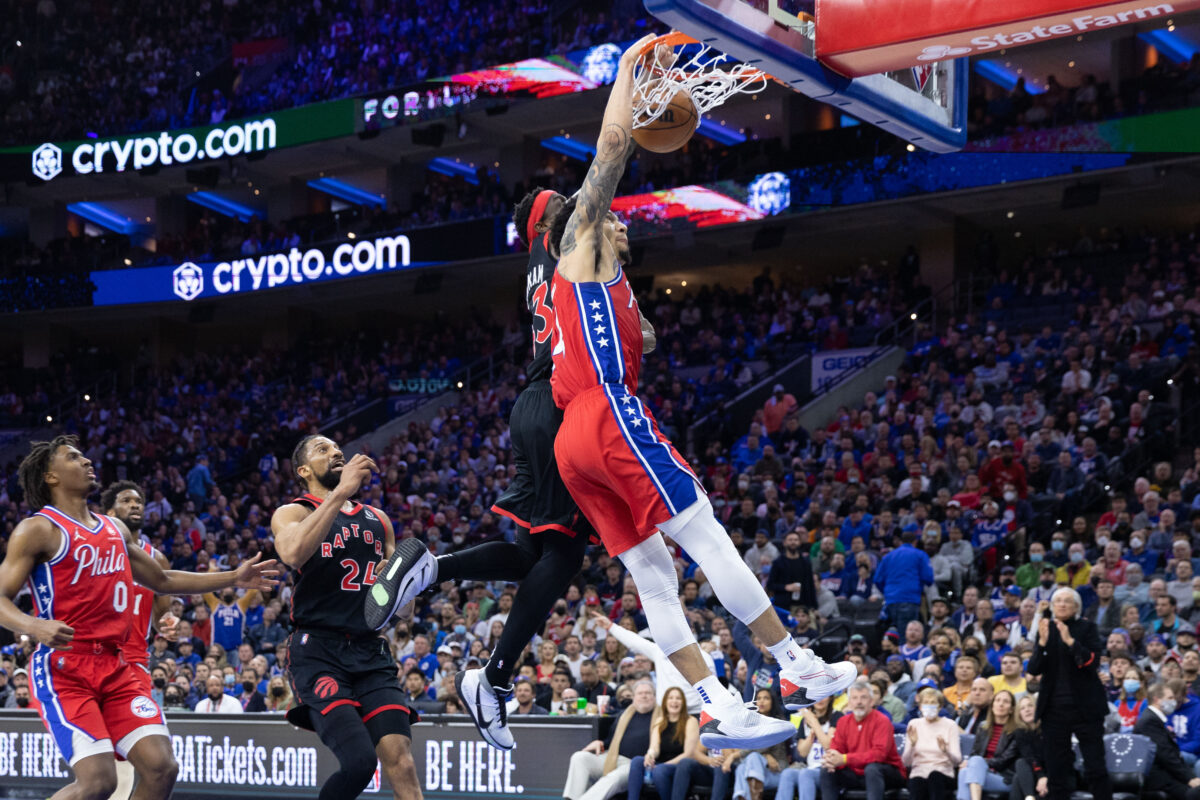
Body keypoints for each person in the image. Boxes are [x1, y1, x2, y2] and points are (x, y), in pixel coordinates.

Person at [546, 35, 853, 748]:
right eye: (610, 218)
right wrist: (628, 77)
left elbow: (642, 337)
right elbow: (614, 148)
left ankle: (717, 704)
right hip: (605, 416)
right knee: (705, 534)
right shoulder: (582, 243)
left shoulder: (604, 287)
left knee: (654, 579)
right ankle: (793, 661)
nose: (620, 220)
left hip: (574, 444)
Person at [365, 182, 640, 751]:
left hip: (534, 407)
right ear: (545, 223)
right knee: (564, 555)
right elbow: (594, 186)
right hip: (558, 408)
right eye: (558, 203)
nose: (572, 204)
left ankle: (432, 568)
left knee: (532, 556)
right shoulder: (558, 245)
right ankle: (491, 676)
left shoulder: (549, 266)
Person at [0, 436, 278, 800]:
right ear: (50, 476)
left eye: (85, 456)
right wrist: (33, 625)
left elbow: (162, 580)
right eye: (74, 457)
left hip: (117, 666)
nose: (86, 461)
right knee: (99, 783)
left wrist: (233, 577)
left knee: (162, 768)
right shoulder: (38, 529)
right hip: (66, 668)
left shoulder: (113, 529)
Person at [271, 436, 421, 800]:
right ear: (304, 471)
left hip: (370, 651)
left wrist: (399, 585)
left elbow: (404, 612)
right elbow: (292, 552)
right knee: (359, 762)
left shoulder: (377, 519)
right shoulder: (293, 512)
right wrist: (340, 495)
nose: (336, 452)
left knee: (401, 762)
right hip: (318, 651)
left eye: (338, 449)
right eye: (322, 450)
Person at [102, 480, 180, 800]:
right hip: (99, 659)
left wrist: (168, 623)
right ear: (109, 512)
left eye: (139, 501)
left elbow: (163, 613)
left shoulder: (156, 560)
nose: (135, 505)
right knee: (100, 771)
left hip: (135, 664)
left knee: (149, 763)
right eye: (126, 500)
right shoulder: (97, 554)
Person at [1027, 586, 1112, 800]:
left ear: (1076, 607)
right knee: (1057, 769)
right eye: (1058, 601)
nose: (1062, 604)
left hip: (1086, 709)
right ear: (1053, 606)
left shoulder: (1087, 628)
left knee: (1095, 767)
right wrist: (1042, 643)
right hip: (1054, 710)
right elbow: (1034, 669)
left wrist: (1071, 642)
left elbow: (1091, 662)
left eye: (1067, 601)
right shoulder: (1046, 629)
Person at [564, 680, 656, 800]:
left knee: (613, 777)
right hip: (613, 757)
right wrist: (601, 742)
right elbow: (611, 739)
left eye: (648, 693)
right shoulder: (624, 715)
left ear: (654, 696)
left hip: (635, 764)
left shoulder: (660, 717)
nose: (644, 696)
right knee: (579, 757)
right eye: (640, 693)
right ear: (634, 697)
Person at [819, 681, 906, 800]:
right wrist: (831, 759)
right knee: (827, 770)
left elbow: (879, 755)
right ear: (849, 702)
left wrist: (844, 759)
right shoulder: (843, 722)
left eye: (863, 697)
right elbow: (836, 749)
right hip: (856, 773)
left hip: (887, 772)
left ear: (871, 701)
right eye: (854, 698)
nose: (859, 702)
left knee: (872, 769)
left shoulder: (882, 721)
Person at [626, 686, 699, 800]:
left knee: (660, 771)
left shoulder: (691, 721)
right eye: (670, 698)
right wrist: (649, 756)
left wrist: (665, 765)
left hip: (680, 766)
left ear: (683, 703)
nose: (674, 701)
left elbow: (689, 754)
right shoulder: (660, 721)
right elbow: (654, 748)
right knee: (637, 761)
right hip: (661, 764)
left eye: (678, 698)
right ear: (665, 702)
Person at [1135, 682, 1200, 800]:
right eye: (1170, 698)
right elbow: (1165, 754)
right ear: (1157, 700)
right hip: (1158, 777)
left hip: (1165, 773)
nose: (1174, 701)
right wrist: (1189, 778)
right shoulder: (1150, 721)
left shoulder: (1152, 718)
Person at [956, 690, 1020, 800]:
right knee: (964, 772)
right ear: (993, 705)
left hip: (1003, 778)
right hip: (979, 773)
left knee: (975, 762)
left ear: (1011, 709)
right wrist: (972, 762)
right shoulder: (983, 727)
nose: (1001, 704)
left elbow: (1002, 761)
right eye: (998, 700)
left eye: (1006, 702)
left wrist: (976, 762)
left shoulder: (1017, 731)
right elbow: (974, 753)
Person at [726, 688, 790, 800]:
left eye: (766, 698)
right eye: (759, 698)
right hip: (759, 771)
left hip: (778, 772)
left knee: (753, 757)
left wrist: (733, 756)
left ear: (773, 702)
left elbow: (760, 746)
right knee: (741, 768)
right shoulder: (753, 723)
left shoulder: (778, 722)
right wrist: (766, 755)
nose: (761, 701)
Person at [903, 688, 961, 800]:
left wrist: (946, 751)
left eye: (933, 703)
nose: (929, 706)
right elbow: (906, 762)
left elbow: (957, 761)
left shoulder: (950, 725)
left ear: (940, 707)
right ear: (920, 707)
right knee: (917, 781)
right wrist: (912, 745)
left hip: (943, 773)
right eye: (926, 703)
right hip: (919, 772)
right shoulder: (914, 724)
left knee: (934, 776)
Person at [776, 696, 839, 800]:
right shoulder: (806, 720)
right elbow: (802, 753)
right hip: (810, 768)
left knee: (806, 774)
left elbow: (828, 745)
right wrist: (811, 734)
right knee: (788, 774)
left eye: (824, 696)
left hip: (828, 770)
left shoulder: (836, 715)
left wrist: (814, 722)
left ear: (831, 698)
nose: (820, 699)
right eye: (817, 696)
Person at [873, 530, 935, 631]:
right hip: (909, 600)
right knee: (905, 637)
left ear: (901, 542)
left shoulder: (888, 556)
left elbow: (877, 580)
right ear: (915, 542)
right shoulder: (920, 555)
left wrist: (888, 593)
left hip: (890, 601)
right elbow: (928, 578)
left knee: (891, 636)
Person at [1009, 694, 1047, 800]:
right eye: (1022, 708)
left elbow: (1055, 757)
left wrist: (1044, 778)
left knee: (1018, 777)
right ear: (1019, 714)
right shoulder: (1020, 733)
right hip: (1036, 775)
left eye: (1030, 705)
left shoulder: (1049, 728)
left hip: (1055, 774)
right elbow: (1029, 757)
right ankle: (1030, 797)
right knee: (1021, 763)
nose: (1027, 710)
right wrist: (1040, 776)